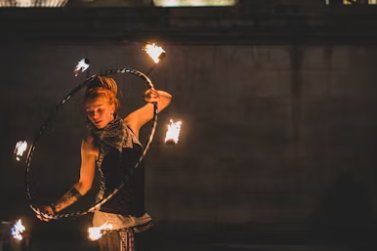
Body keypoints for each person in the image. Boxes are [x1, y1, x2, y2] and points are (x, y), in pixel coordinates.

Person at [37, 76, 172, 251]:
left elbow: (165, 99)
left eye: (99, 110)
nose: (94, 116)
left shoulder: (132, 123)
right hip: (110, 219)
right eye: (90, 111)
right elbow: (83, 184)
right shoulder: (91, 142)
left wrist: (151, 95)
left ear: (113, 107)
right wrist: (54, 208)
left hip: (139, 216)